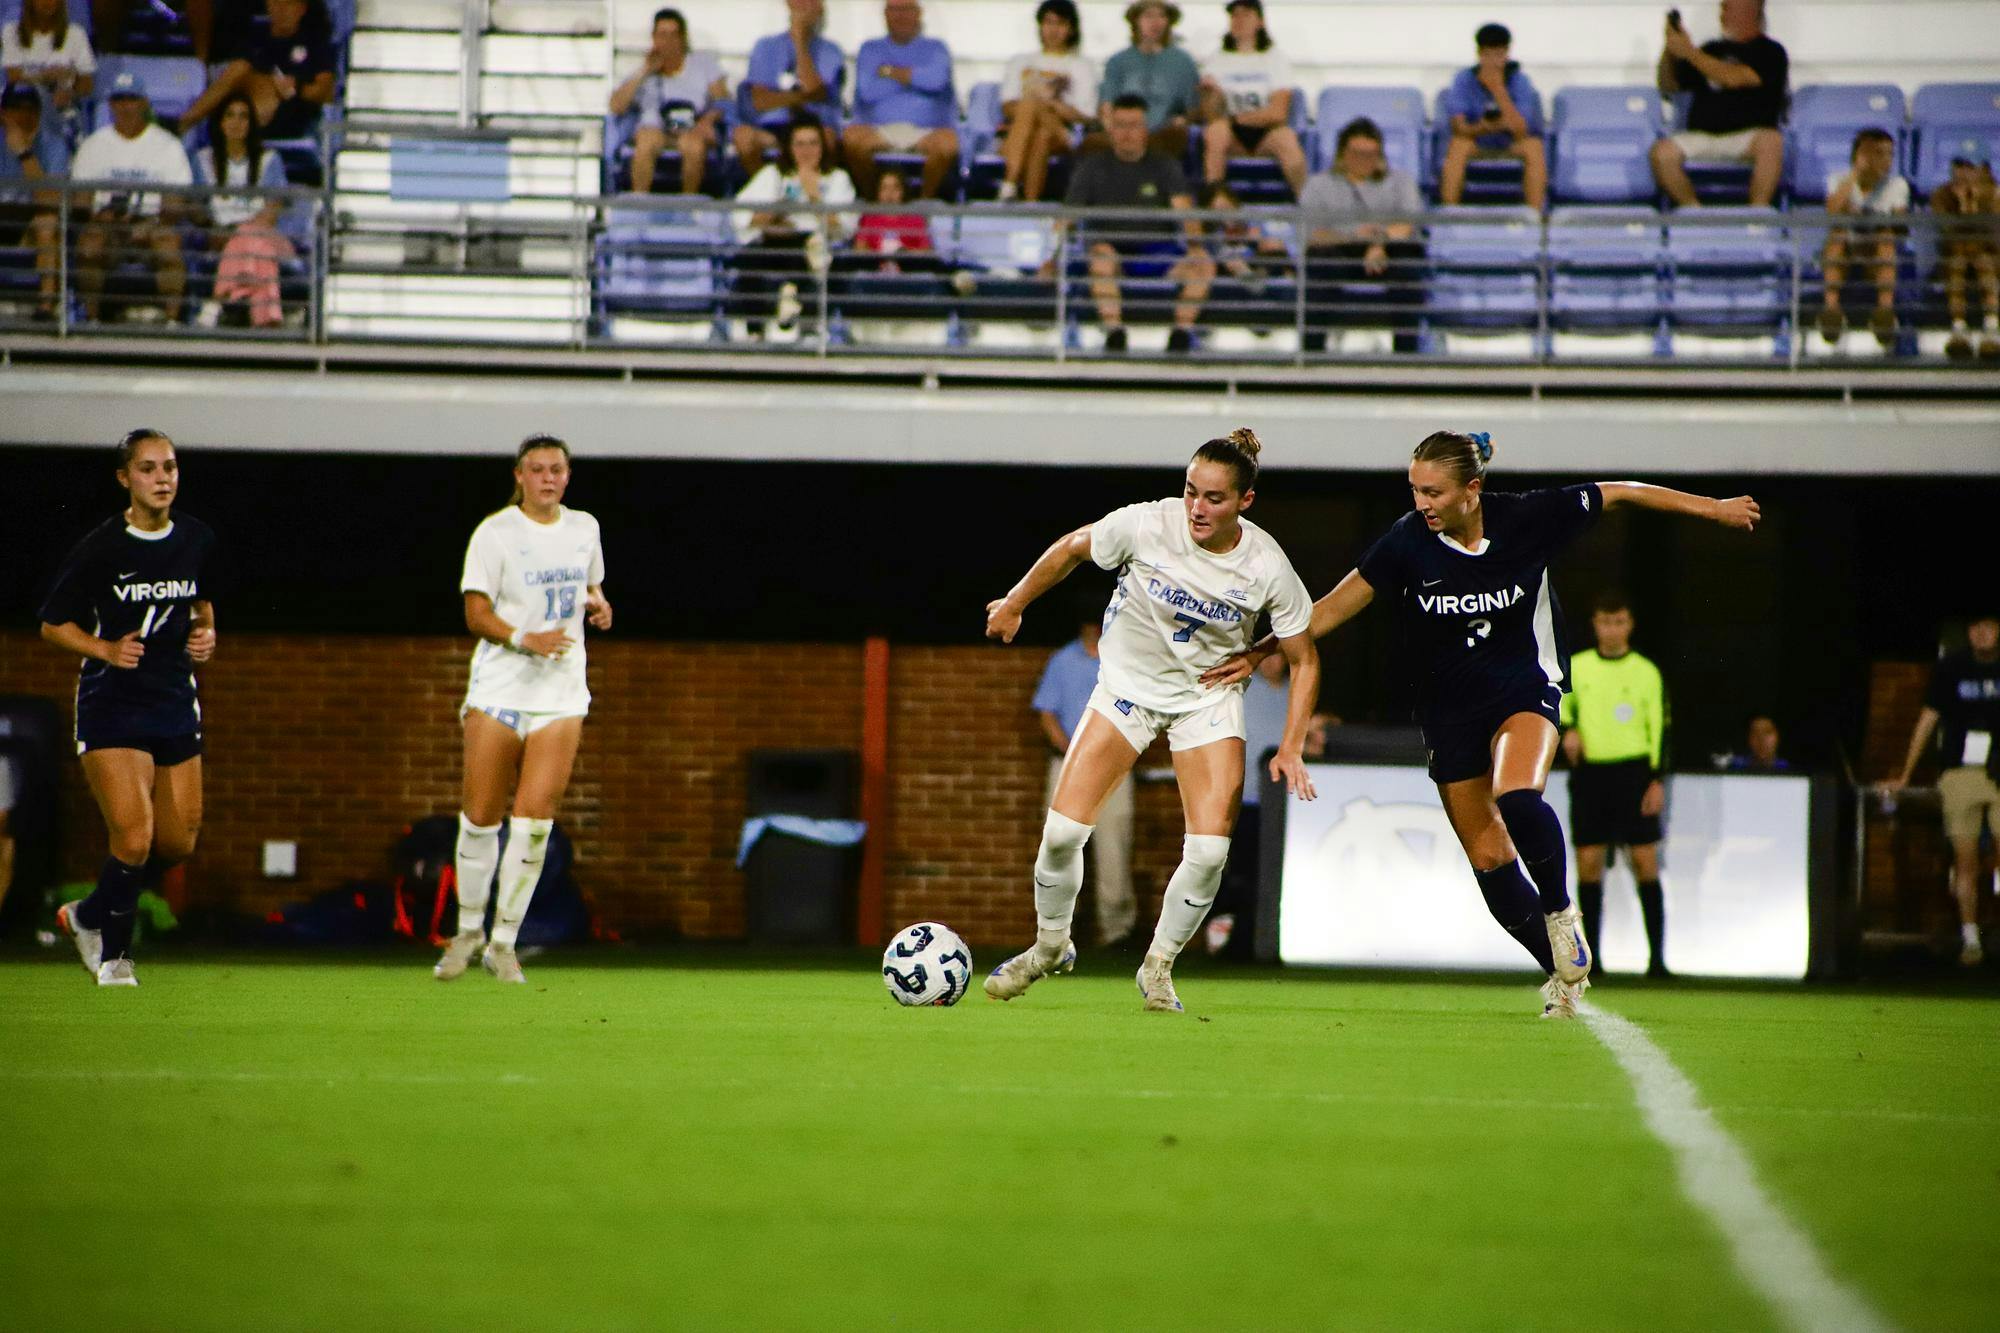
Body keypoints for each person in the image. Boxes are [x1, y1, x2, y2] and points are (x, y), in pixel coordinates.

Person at [1204, 431, 1760, 1019]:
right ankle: (1562, 976)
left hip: (1527, 685)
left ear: (1473, 489)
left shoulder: (1529, 517)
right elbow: (1337, 605)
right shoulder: (1407, 541)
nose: (1422, 503)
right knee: (1491, 864)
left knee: (1518, 794)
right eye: (1415, 490)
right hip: (1449, 709)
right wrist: (1263, 649)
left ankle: (1562, 912)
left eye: (1433, 492)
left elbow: (1620, 491)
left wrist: (1714, 509)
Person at [983, 427, 1320, 1014]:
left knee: (1210, 851)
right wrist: (1015, 602)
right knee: (1062, 834)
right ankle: (1048, 946)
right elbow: (1069, 548)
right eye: (1191, 490)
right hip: (1126, 694)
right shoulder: (1147, 522)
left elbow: (1305, 658)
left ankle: (1159, 966)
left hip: (1204, 701)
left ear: (1245, 502)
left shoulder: (1266, 565)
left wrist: (1290, 745)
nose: (1197, 507)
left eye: (1214, 498)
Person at [42, 429, 219, 987]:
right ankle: (115, 959)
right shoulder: (103, 546)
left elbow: (203, 604)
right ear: (126, 479)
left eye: (169, 466)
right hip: (112, 705)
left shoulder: (196, 537)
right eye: (148, 468)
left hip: (173, 700)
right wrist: (104, 649)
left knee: (177, 841)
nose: (162, 477)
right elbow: (53, 624)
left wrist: (207, 634)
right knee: (135, 837)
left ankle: (87, 914)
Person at [434, 435, 612, 985]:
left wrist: (600, 605)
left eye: (557, 469)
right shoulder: (495, 533)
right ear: (519, 476)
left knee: (535, 824)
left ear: (568, 475)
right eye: (538, 470)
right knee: (482, 817)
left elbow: (592, 588)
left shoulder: (585, 528)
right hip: (501, 691)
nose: (548, 478)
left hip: (560, 695)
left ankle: (504, 941)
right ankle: (467, 929)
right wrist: (522, 638)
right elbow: (475, 612)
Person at [1879, 613, 2000, 968]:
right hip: (1961, 771)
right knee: (1965, 859)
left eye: (1989, 627)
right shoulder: (1951, 667)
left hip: (1999, 772)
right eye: (1975, 627)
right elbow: (1927, 720)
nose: (1981, 634)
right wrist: (1905, 773)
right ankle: (1970, 935)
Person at [1559, 591, 1670, 978]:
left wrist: (1656, 780)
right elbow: (1558, 710)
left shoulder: (1646, 672)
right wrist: (1568, 730)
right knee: (1589, 864)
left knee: (1645, 862)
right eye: (1606, 622)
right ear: (1595, 625)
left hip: (1635, 774)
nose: (1612, 630)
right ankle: (1593, 962)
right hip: (1592, 775)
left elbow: (1660, 728)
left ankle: (1657, 961)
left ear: (1630, 625)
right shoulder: (1577, 667)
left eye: (1619, 622)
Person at [1062, 92, 1214, 354]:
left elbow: (1185, 214)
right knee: (1100, 257)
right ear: (1110, 129)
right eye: (1120, 125)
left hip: (1159, 254)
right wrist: (1053, 254)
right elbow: (1068, 217)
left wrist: (1195, 246)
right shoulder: (1091, 167)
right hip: (1112, 251)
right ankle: (1115, 333)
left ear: (1145, 129)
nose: (1127, 133)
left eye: (1133, 125)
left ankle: (1180, 334)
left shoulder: (1165, 166)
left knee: (1203, 264)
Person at [1204, 651, 1332, 957]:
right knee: (1237, 874)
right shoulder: (1241, 690)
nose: (1274, 663)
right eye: (1269, 657)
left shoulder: (1296, 693)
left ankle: (1259, 943)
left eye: (1281, 657)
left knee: (1269, 877)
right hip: (1243, 798)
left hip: (1282, 805)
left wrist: (1317, 738)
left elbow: (1307, 744)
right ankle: (1229, 942)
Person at [1030, 613, 1137, 948]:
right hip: (1068, 765)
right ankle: (1057, 934)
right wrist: (1073, 750)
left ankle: (1117, 932)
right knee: (1060, 847)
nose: (1093, 626)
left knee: (1114, 848)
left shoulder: (1125, 659)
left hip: (1114, 766)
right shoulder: (1062, 660)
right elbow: (1046, 714)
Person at [70, 72, 193, 324]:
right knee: (90, 243)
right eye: (119, 100)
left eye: (132, 100)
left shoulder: (168, 145)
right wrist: (102, 217)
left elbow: (175, 206)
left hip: (152, 227)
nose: (125, 107)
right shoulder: (93, 145)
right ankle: (90, 319)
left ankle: (172, 321)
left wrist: (147, 224)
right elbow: (81, 203)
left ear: (144, 103)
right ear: (111, 104)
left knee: (168, 243)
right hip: (108, 229)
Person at [1299, 117, 1425, 353]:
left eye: (1371, 154)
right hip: (1339, 251)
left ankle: (1406, 357)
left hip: (1387, 250)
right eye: (1357, 153)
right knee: (1320, 263)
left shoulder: (1401, 182)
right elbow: (1314, 235)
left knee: (1407, 266)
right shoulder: (1318, 185)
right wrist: (1355, 237)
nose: (1364, 161)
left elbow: (1407, 225)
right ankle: (1312, 355)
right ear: (1341, 154)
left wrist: (1378, 242)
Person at [1651, 0, 1787, 209]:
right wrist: (1670, 51)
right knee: (1662, 153)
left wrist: (1689, 52)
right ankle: (1693, 212)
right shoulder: (1710, 49)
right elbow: (1669, 85)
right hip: (1702, 135)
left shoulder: (1771, 52)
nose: (1722, 9)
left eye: (1728, 6)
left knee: (1773, 143)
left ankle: (1757, 216)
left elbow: (1736, 78)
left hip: (1748, 137)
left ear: (1751, 8)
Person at [734, 111, 856, 336]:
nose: (806, 151)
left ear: (822, 146)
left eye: (812, 143)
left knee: (820, 255)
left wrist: (815, 197)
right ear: (789, 147)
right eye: (799, 144)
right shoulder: (773, 174)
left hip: (816, 245)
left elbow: (844, 227)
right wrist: (774, 212)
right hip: (776, 243)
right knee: (747, 259)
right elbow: (740, 215)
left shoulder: (837, 178)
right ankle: (756, 331)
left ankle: (807, 327)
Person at [192, 93, 294, 328]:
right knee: (260, 254)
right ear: (220, 122)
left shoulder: (270, 160)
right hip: (225, 238)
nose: (236, 123)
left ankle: (219, 299)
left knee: (251, 240)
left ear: (251, 123)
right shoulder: (203, 160)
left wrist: (236, 231)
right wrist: (214, 229)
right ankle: (266, 320)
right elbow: (197, 210)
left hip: (264, 236)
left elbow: (270, 214)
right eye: (230, 116)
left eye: (243, 116)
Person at [843, 0, 958, 200]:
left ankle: (922, 205)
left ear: (919, 13)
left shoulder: (937, 49)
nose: (900, 16)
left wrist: (889, 71)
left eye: (906, 9)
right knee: (851, 140)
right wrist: (914, 78)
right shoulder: (870, 49)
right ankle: (873, 204)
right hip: (878, 129)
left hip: (928, 130)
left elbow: (936, 81)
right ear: (885, 14)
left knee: (948, 146)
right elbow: (868, 91)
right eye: (894, 10)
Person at [608, 7, 728, 197]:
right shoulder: (643, 72)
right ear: (654, 38)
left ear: (683, 38)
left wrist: (707, 121)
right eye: (662, 35)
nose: (668, 41)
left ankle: (688, 206)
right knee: (646, 140)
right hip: (654, 128)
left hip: (692, 127)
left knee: (694, 145)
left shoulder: (702, 64)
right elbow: (616, 106)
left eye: (674, 35)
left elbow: (724, 101)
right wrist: (645, 71)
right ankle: (639, 205)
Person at [176, 0, 335, 140]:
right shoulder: (258, 40)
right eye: (276, 3)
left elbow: (326, 92)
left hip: (292, 110)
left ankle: (185, 122)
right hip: (246, 105)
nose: (281, 10)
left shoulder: (315, 44)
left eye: (288, 5)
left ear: (301, 8)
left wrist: (296, 88)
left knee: (252, 77)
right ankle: (194, 123)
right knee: (239, 69)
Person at [1198, 0, 1305, 199]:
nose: (1239, 20)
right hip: (1231, 132)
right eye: (1235, 15)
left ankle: (1309, 208)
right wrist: (1210, 95)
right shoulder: (1217, 60)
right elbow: (1212, 116)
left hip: (1266, 131)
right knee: (1215, 134)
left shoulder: (1275, 58)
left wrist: (1236, 119)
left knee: (1287, 140)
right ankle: (1214, 204)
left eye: (1246, 15)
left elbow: (1278, 113)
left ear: (1260, 22)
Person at [1436, 22, 1546, 210]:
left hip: (1511, 142)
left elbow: (1521, 129)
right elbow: (1459, 127)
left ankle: (1534, 217)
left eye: (1499, 55)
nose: (1494, 61)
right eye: (1488, 55)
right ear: (1479, 54)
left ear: (1507, 54)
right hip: (1476, 139)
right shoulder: (1463, 79)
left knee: (1534, 147)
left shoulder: (1520, 80)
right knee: (1457, 146)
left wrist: (1498, 89)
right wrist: (1484, 127)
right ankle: (1450, 213)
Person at [1816, 127, 1908, 349]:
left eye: (1890, 154)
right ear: (1861, 156)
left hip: (1876, 255)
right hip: (1847, 252)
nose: (1886, 160)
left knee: (1885, 237)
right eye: (1879, 154)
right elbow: (1832, 212)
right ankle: (1831, 311)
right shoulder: (1839, 180)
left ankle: (1884, 312)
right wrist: (1856, 174)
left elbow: (1900, 227)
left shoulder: (1897, 185)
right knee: (1837, 236)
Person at [995, 0, 1095, 203]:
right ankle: (1031, 204)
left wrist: (1049, 104)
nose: (1053, 30)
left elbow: (1085, 116)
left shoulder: (1082, 66)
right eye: (1048, 23)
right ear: (1040, 26)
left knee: (1033, 104)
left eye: (1060, 24)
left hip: (1063, 132)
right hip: (1025, 132)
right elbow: (1007, 106)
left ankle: (1009, 183)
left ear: (1071, 29)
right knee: (1041, 134)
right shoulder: (1020, 62)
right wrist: (1039, 104)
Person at [735, 0, 844, 173]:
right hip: (773, 126)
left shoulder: (831, 50)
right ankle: (763, 189)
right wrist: (802, 97)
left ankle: (817, 190)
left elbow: (814, 89)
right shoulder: (765, 46)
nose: (804, 7)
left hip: (814, 126)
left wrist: (799, 41)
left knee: (829, 139)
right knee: (743, 137)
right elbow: (761, 101)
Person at [1093, 0, 1198, 161]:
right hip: (1122, 132)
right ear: (1136, 21)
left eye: (1161, 16)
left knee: (1174, 137)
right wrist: (1115, 130)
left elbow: (1191, 108)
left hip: (1161, 133)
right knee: (1091, 144)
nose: (1155, 22)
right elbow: (1107, 104)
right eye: (1149, 16)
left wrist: (1182, 120)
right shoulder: (1117, 61)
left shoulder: (1184, 62)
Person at [0, 82, 68, 321]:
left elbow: (51, 200)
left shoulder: (54, 145)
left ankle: (46, 306)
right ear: (3, 113)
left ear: (38, 112)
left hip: (28, 222)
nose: (22, 115)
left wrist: (24, 154)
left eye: (29, 108)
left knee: (47, 222)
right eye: (15, 108)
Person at [1930, 150, 1999, 361]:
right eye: (1960, 166)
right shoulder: (1941, 194)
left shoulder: (1996, 195)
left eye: (1971, 167)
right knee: (1957, 262)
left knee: (1985, 263)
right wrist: (1963, 206)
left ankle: (1991, 329)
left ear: (1984, 170)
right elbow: (1946, 234)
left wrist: (1974, 206)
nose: (1964, 173)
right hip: (1954, 255)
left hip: (1990, 256)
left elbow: (1995, 239)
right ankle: (1959, 329)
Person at [2, 0, 95, 121]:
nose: (48, 2)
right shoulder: (11, 32)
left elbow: (87, 84)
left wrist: (70, 92)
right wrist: (48, 75)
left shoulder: (76, 33)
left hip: (62, 110)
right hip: (24, 107)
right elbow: (14, 77)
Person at [852, 168, 935, 273]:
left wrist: (904, 253)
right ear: (878, 192)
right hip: (876, 272)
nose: (889, 194)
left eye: (895, 188)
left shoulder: (915, 219)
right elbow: (859, 248)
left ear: (903, 191)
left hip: (908, 272)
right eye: (884, 188)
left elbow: (926, 250)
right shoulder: (869, 218)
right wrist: (880, 255)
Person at [1725, 714, 1790, 771]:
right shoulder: (1736, 767)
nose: (1761, 739)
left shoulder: (1788, 768)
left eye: (1767, 732)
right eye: (1755, 733)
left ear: (1778, 736)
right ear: (1748, 738)